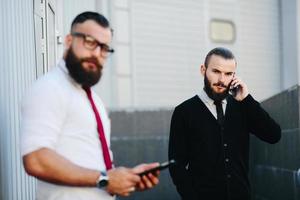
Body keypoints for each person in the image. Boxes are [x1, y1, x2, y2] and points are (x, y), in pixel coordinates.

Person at [21, 11, 159, 200]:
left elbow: (90, 163)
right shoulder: (48, 88)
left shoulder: (92, 98)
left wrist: (126, 179)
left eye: (104, 48)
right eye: (90, 42)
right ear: (69, 41)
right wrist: (104, 179)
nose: (96, 54)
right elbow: (36, 160)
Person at [168, 47, 281, 200]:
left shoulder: (242, 106)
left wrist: (247, 99)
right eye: (216, 71)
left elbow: (273, 135)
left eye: (228, 74)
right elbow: (177, 164)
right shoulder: (184, 112)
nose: (222, 80)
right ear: (203, 70)